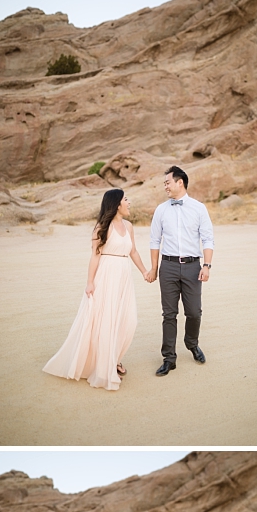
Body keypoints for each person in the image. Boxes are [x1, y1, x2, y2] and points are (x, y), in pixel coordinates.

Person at [43, 189, 147, 390]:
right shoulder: (102, 227)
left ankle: (113, 357)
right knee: (105, 321)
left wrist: (144, 271)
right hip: (106, 276)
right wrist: (90, 282)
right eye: (126, 199)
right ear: (117, 204)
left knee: (128, 321)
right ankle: (107, 364)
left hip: (124, 277)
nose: (129, 202)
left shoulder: (129, 226)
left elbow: (133, 251)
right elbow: (95, 256)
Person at [146, 166, 214, 376]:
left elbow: (208, 238)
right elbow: (154, 240)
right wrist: (155, 268)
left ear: (180, 182)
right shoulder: (161, 210)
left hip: (194, 266)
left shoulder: (199, 208)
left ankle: (192, 344)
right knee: (169, 314)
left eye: (167, 182)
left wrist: (206, 265)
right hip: (168, 267)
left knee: (194, 312)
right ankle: (169, 358)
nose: (165, 186)